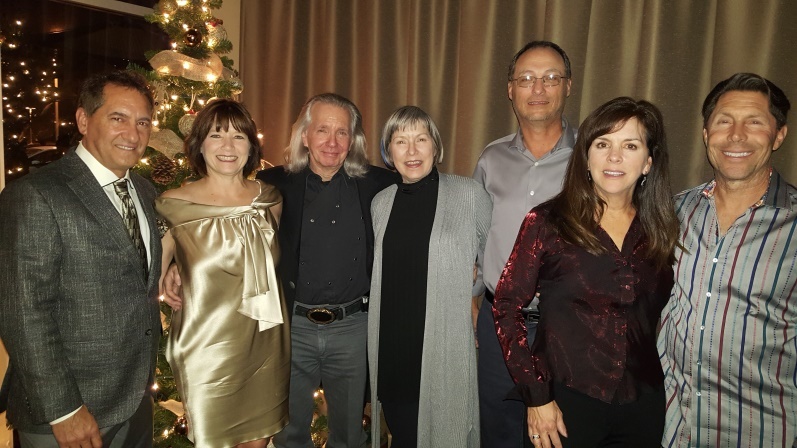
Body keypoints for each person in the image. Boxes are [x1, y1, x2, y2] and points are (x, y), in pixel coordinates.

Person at [493, 97, 681, 448]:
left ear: (648, 163)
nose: (614, 156)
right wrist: (537, 396)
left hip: (642, 405)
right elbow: (506, 306)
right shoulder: (547, 222)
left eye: (630, 145)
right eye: (603, 143)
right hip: (564, 404)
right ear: (587, 157)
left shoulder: (663, 229)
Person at [0, 70, 161, 448]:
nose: (133, 134)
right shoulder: (36, 195)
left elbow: (137, 275)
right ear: (84, 120)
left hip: (136, 400)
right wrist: (64, 410)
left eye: (143, 122)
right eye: (118, 118)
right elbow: (22, 312)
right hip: (69, 414)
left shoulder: (146, 190)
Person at [658, 73, 797, 447]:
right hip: (672, 428)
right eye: (723, 121)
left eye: (754, 122)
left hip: (761, 431)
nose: (736, 135)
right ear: (706, 134)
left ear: (778, 134)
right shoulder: (673, 212)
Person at [258, 93, 398, 448]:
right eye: (322, 130)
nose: (332, 143)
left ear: (353, 140)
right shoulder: (269, 184)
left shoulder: (381, 184)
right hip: (292, 326)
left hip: (353, 328)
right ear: (305, 136)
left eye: (342, 132)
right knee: (288, 433)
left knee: (351, 434)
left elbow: (424, 211)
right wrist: (177, 266)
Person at [155, 99, 289, 447]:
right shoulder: (174, 204)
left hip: (265, 344)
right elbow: (151, 274)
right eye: (217, 135)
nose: (228, 147)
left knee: (258, 441)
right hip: (206, 350)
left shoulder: (270, 199)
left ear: (251, 146)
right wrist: (172, 269)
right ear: (200, 144)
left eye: (238, 137)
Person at [473, 40, 577, 448]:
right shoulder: (491, 158)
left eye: (550, 78)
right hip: (499, 324)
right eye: (527, 79)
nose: (538, 89)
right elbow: (478, 235)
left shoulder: (592, 158)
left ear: (567, 86)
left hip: (567, 327)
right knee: (497, 430)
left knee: (559, 434)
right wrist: (472, 295)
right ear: (510, 89)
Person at [368, 106, 491, 447]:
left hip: (444, 341)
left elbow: (499, 261)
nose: (411, 151)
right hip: (394, 346)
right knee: (404, 432)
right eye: (400, 141)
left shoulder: (469, 195)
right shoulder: (381, 203)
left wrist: (474, 286)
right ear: (388, 152)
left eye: (421, 139)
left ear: (435, 146)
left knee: (448, 433)